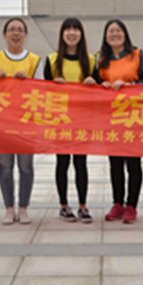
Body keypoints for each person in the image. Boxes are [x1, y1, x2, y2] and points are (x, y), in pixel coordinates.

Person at [95, 19, 143, 224]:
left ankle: (132, 205)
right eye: (111, 31)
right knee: (115, 163)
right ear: (105, 37)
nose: (115, 34)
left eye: (118, 31)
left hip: (134, 117)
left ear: (125, 34)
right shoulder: (101, 59)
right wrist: (100, 84)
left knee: (133, 163)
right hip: (111, 118)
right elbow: (94, 84)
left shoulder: (138, 55)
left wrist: (130, 85)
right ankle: (117, 203)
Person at [41, 17, 97, 223]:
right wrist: (52, 85)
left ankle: (83, 206)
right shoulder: (51, 60)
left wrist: (93, 82)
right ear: (62, 34)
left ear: (81, 34)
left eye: (76, 29)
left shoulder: (91, 60)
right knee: (62, 162)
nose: (72, 33)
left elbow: (100, 91)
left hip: (82, 119)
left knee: (81, 163)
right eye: (68, 29)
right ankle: (64, 205)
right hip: (60, 120)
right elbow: (41, 91)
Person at [0, 17, 42, 225]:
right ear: (5, 34)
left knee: (26, 166)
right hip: (3, 122)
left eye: (19, 29)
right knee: (5, 165)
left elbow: (41, 89)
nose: (16, 33)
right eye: (11, 29)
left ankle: (23, 207)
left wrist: (28, 82)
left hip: (26, 122)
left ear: (26, 34)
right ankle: (9, 208)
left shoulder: (34, 60)